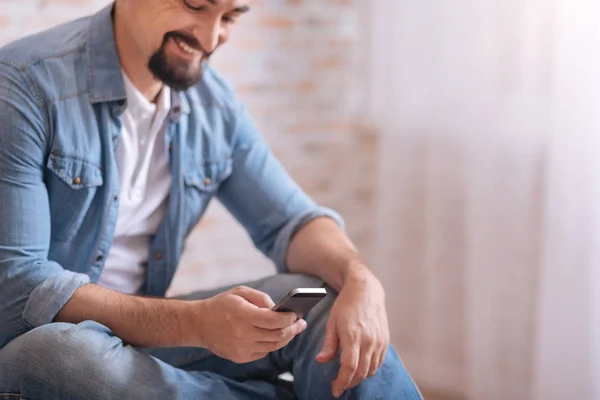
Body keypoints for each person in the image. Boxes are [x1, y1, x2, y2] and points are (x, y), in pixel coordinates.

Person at [0, 1, 422, 399]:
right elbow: (18, 287)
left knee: (318, 296)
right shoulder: (23, 86)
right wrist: (199, 324)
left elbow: (292, 222)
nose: (210, 36)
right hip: (33, 344)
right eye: (195, 5)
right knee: (59, 356)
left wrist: (360, 278)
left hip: (137, 339)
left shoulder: (212, 106)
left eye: (231, 17)